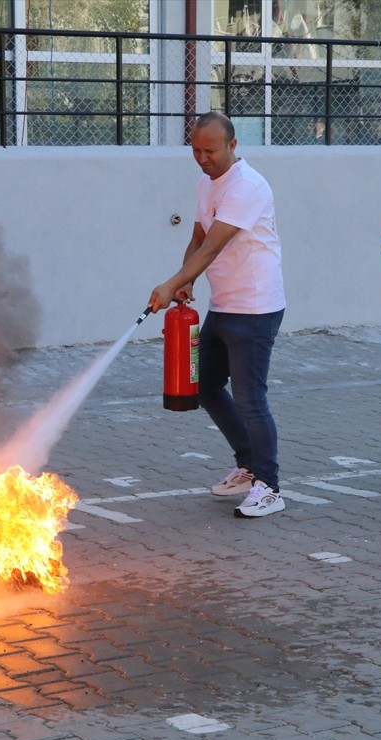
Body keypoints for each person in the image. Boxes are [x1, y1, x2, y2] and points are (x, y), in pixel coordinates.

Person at [148, 111, 287, 519]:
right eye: (196, 150)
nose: (203, 158)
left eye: (210, 151)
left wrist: (171, 284)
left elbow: (213, 247)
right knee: (205, 385)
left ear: (232, 145)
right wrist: (187, 279)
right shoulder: (206, 184)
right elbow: (198, 238)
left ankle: (269, 487)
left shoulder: (247, 187)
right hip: (223, 305)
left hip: (255, 308)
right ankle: (248, 466)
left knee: (250, 399)